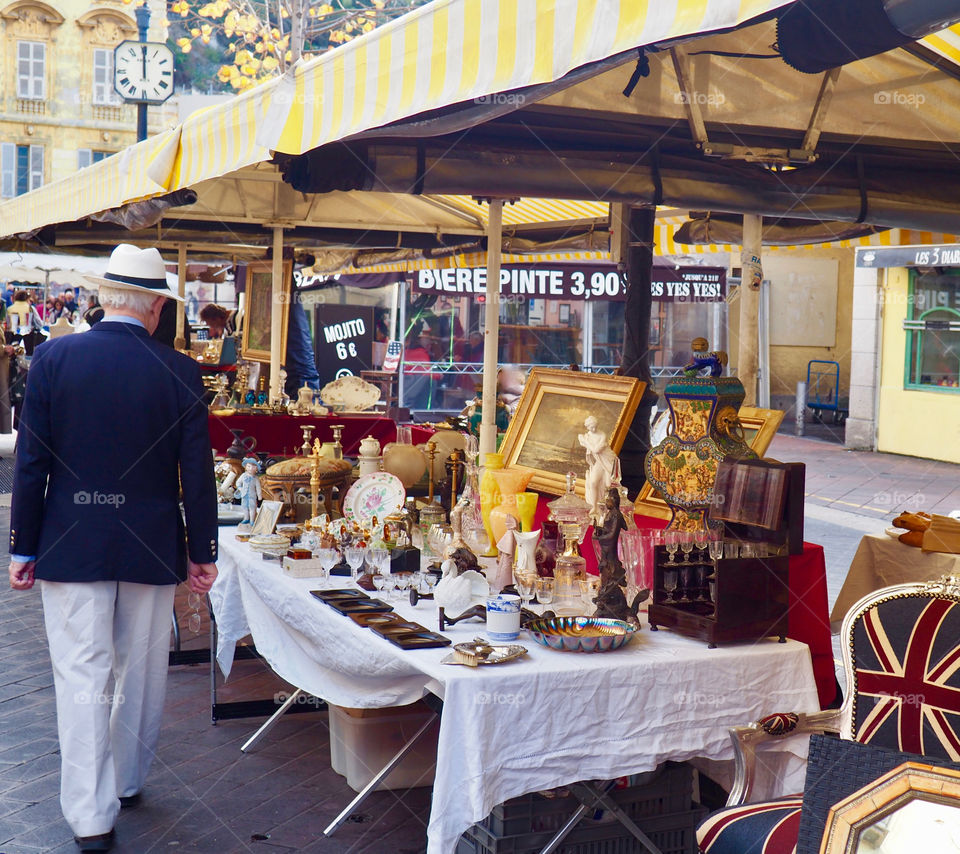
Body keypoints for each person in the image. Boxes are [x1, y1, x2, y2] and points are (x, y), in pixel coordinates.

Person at [8, 243, 218, 853]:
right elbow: (196, 472)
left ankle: (90, 815)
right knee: (141, 666)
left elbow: (31, 463)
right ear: (154, 307)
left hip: (70, 539)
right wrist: (202, 548)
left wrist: (22, 546)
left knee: (81, 674)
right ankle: (126, 778)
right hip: (151, 541)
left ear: (104, 299)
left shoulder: (51, 358)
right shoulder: (180, 370)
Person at [578, 415, 621, 521]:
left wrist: (585, 442)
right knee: (593, 483)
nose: (593, 429)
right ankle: (594, 507)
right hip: (599, 462)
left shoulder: (602, 435)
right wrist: (584, 440)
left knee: (609, 485)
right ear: (587, 427)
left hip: (608, 460)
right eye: (591, 427)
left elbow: (596, 450)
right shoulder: (587, 436)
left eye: (595, 426)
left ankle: (609, 510)